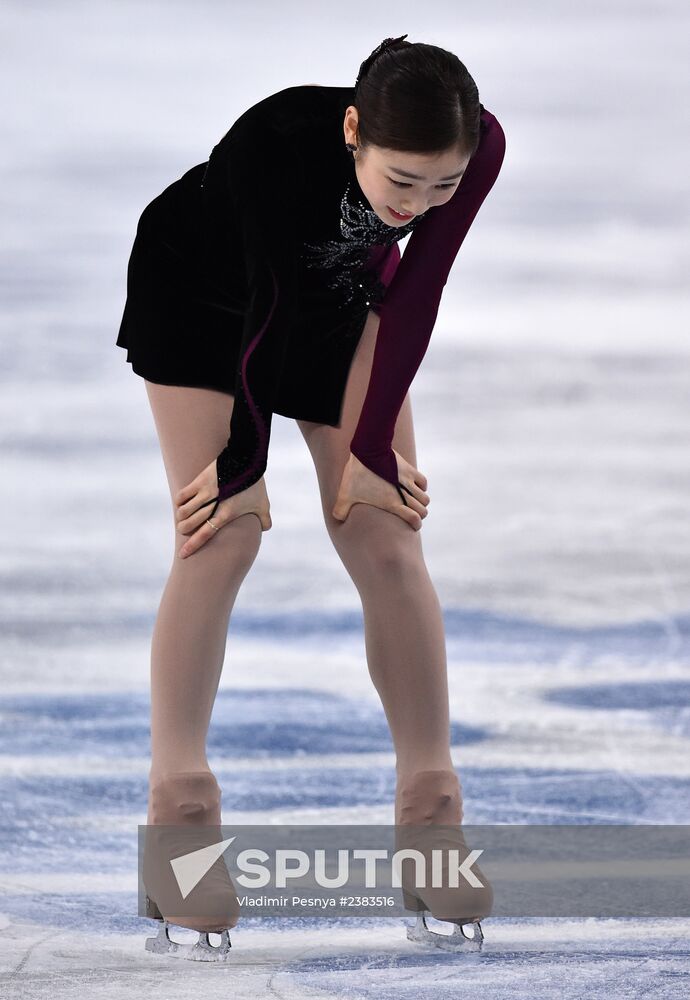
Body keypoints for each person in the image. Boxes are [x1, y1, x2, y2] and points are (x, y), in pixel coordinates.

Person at [116, 35, 506, 959]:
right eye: (401, 182)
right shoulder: (274, 145)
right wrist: (244, 468)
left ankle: (430, 810)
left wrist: (370, 449)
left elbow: (419, 289)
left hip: (336, 300)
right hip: (205, 297)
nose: (418, 205)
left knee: (383, 529)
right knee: (222, 536)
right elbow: (266, 309)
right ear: (351, 131)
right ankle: (179, 813)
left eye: (441, 187)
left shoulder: (472, 145)